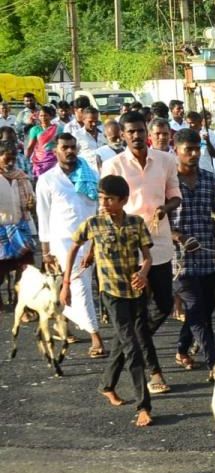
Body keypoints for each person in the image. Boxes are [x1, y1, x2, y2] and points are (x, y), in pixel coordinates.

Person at [59, 175, 155, 427]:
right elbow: (72, 249)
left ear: (123, 201)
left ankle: (107, 384)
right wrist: (66, 283)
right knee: (132, 347)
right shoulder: (93, 224)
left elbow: (147, 257)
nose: (103, 203)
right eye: (101, 198)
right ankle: (144, 406)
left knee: (122, 342)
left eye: (109, 199)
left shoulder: (136, 224)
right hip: (111, 293)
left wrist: (143, 274)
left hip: (134, 292)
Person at [102, 110, 182, 395]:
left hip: (159, 244)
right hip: (127, 251)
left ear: (146, 133)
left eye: (139, 131)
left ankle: (131, 343)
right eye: (130, 132)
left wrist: (165, 208)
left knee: (162, 305)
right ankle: (155, 372)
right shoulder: (113, 165)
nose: (136, 136)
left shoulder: (166, 161)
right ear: (122, 135)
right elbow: (106, 207)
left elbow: (175, 195)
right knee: (136, 314)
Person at [170, 128, 215, 377]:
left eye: (196, 149)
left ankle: (182, 348)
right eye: (187, 150)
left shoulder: (210, 180)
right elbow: (155, 221)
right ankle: (214, 363)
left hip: (206, 257)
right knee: (197, 306)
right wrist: (178, 237)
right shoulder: (167, 181)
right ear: (175, 151)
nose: (193, 154)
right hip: (178, 261)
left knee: (204, 307)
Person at [32, 135, 104, 356]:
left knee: (80, 288)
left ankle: (62, 312)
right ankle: (95, 336)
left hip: (92, 240)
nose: (70, 151)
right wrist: (45, 252)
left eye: (73, 147)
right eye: (65, 148)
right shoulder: (47, 180)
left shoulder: (90, 175)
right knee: (80, 286)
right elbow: (42, 216)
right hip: (62, 243)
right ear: (56, 152)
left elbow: (99, 207)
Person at [0, 141, 36, 303]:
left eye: (13, 158)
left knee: (27, 267)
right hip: (1, 229)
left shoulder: (21, 176)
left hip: (20, 227)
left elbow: (31, 200)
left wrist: (31, 204)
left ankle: (21, 300)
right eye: (6, 158)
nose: (10, 162)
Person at [26, 105, 58, 178]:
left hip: (53, 159)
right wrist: (26, 160)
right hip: (39, 160)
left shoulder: (57, 128)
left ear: (50, 116)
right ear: (38, 117)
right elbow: (31, 147)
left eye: (45, 115)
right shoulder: (35, 129)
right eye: (41, 115)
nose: (43, 118)